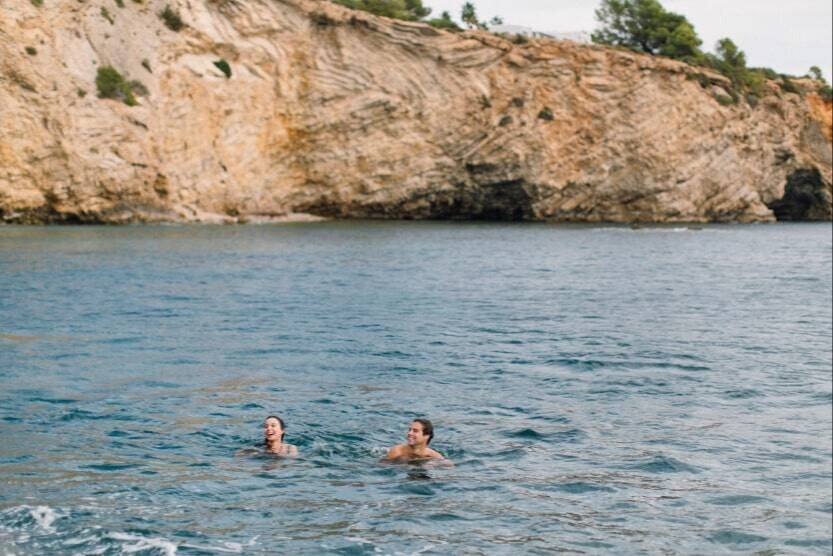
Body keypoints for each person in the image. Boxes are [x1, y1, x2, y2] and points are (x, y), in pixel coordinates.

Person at [382, 418, 447, 463]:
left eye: (415, 431)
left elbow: (449, 467)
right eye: (410, 430)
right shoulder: (397, 451)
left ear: (426, 436)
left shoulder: (434, 456)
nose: (409, 433)